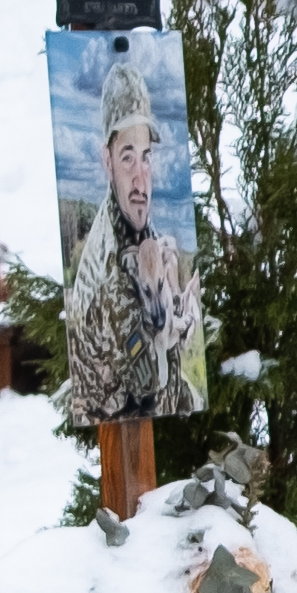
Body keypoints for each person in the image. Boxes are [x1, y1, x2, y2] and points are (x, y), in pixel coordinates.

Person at [54, 49, 203, 422]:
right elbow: (147, 385)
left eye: (146, 156)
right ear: (107, 161)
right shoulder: (113, 268)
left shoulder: (142, 232)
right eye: (126, 157)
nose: (140, 178)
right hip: (119, 410)